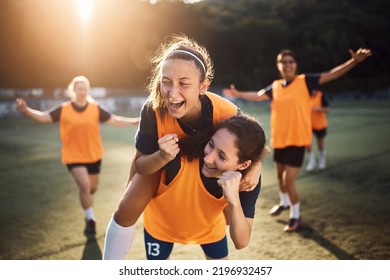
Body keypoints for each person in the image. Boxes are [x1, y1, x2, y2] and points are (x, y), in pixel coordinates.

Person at [102, 34, 262, 259]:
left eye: (184, 84)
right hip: (164, 166)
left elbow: (252, 140)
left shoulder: (225, 111)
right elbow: (140, 164)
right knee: (127, 207)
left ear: (203, 85)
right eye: (166, 82)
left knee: (232, 204)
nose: (172, 92)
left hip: (209, 173)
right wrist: (160, 157)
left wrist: (255, 167)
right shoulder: (153, 108)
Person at [223, 48, 372, 232]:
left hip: (298, 140)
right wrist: (239, 94)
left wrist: (354, 61)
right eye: (283, 62)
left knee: (288, 180)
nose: (287, 65)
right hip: (280, 140)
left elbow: (332, 75)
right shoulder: (276, 86)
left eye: (290, 61)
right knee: (279, 177)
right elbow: (259, 95)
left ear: (295, 64)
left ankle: (295, 215)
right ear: (279, 66)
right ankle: (284, 202)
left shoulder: (305, 81)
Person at [15, 75, 139, 235]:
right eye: (79, 89)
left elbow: (114, 120)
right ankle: (90, 220)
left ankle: (85, 199)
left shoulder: (95, 108)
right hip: (73, 156)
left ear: (88, 90)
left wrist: (135, 121)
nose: (82, 91)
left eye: (84, 89)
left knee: (91, 188)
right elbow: (44, 117)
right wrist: (26, 110)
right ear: (73, 90)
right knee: (85, 185)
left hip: (93, 155)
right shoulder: (64, 109)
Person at [143, 114, 267, 260]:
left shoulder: (247, 181)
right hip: (160, 226)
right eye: (211, 144)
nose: (208, 158)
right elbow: (141, 167)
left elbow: (241, 242)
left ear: (244, 164)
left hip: (210, 229)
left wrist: (234, 201)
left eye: (222, 156)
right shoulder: (179, 157)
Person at [306, 89, 330, 171]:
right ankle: (311, 161)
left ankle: (322, 160)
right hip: (307, 124)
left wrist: (319, 109)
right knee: (308, 143)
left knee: (320, 142)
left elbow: (327, 109)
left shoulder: (320, 95)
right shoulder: (305, 95)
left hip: (319, 124)